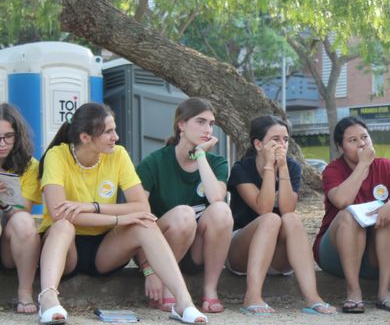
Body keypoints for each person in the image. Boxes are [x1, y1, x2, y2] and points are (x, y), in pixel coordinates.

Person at [36, 102, 207, 325]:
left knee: (145, 222)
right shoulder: (57, 156)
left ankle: (184, 303)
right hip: (67, 250)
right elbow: (60, 213)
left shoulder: (118, 155)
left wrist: (93, 206)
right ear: (86, 137)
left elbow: (141, 206)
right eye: (108, 131)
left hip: (105, 250)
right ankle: (48, 299)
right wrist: (118, 218)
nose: (116, 136)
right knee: (63, 226)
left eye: (114, 129)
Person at [227, 115, 335, 316]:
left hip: (277, 255)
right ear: (258, 144)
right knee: (270, 219)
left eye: (285, 139)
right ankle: (252, 296)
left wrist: (283, 167)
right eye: (275, 139)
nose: (282, 144)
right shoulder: (241, 169)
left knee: (291, 218)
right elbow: (264, 208)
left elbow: (287, 208)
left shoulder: (292, 166)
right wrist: (269, 167)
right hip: (241, 250)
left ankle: (312, 297)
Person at [136, 97, 232, 313]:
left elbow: (216, 198)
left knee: (221, 211)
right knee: (184, 215)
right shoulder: (154, 162)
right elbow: (138, 215)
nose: (207, 129)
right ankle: (169, 285)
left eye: (211, 123)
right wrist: (148, 269)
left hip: (198, 250)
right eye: (200, 121)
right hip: (159, 248)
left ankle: (210, 291)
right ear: (181, 125)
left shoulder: (216, 163)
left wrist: (200, 155)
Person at [313, 116, 390, 314]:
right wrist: (363, 165)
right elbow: (342, 201)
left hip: (373, 255)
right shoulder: (332, 170)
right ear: (340, 147)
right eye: (353, 140)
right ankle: (353, 292)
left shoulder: (386, 166)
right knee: (347, 215)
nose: (362, 144)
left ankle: (385, 292)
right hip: (335, 253)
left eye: (365, 137)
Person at [0, 103, 41, 314]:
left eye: (8, 136)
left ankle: (25, 292)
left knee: (24, 221)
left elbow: (22, 209)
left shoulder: (30, 165)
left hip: (9, 246)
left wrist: (3, 197)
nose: (2, 144)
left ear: (18, 136)